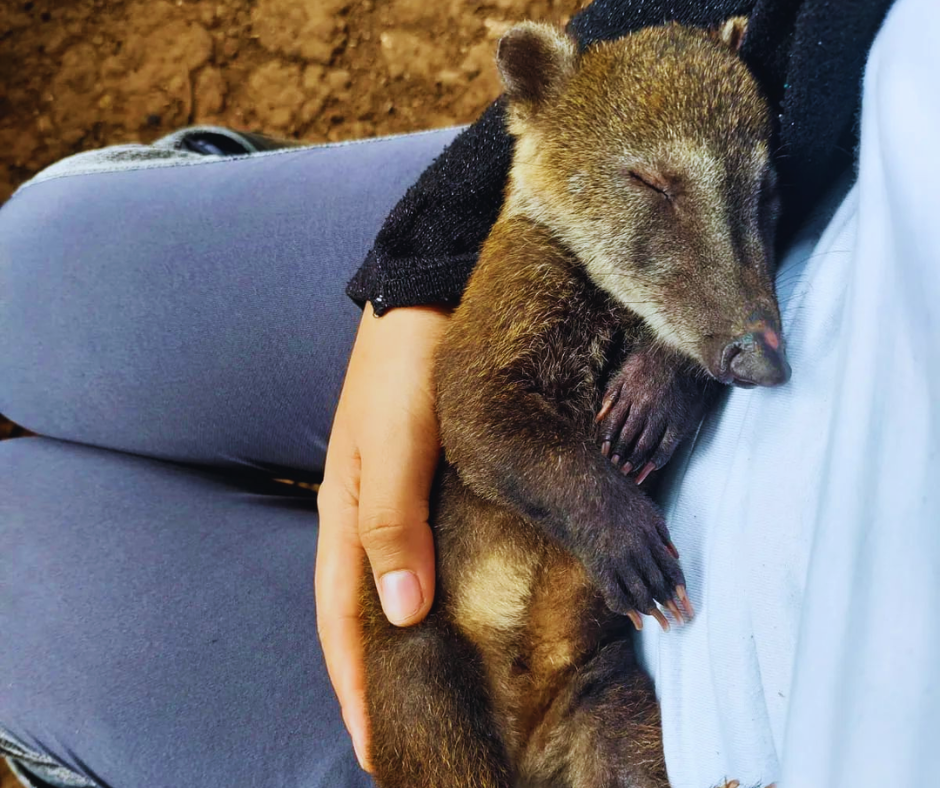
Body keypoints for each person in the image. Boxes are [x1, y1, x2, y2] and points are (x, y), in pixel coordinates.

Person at [1, 0, 937, 785]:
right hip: (537, 359)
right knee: (30, 267)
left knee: (19, 551)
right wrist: (427, 252)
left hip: (629, 693)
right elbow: (491, 411)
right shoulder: (579, 208)